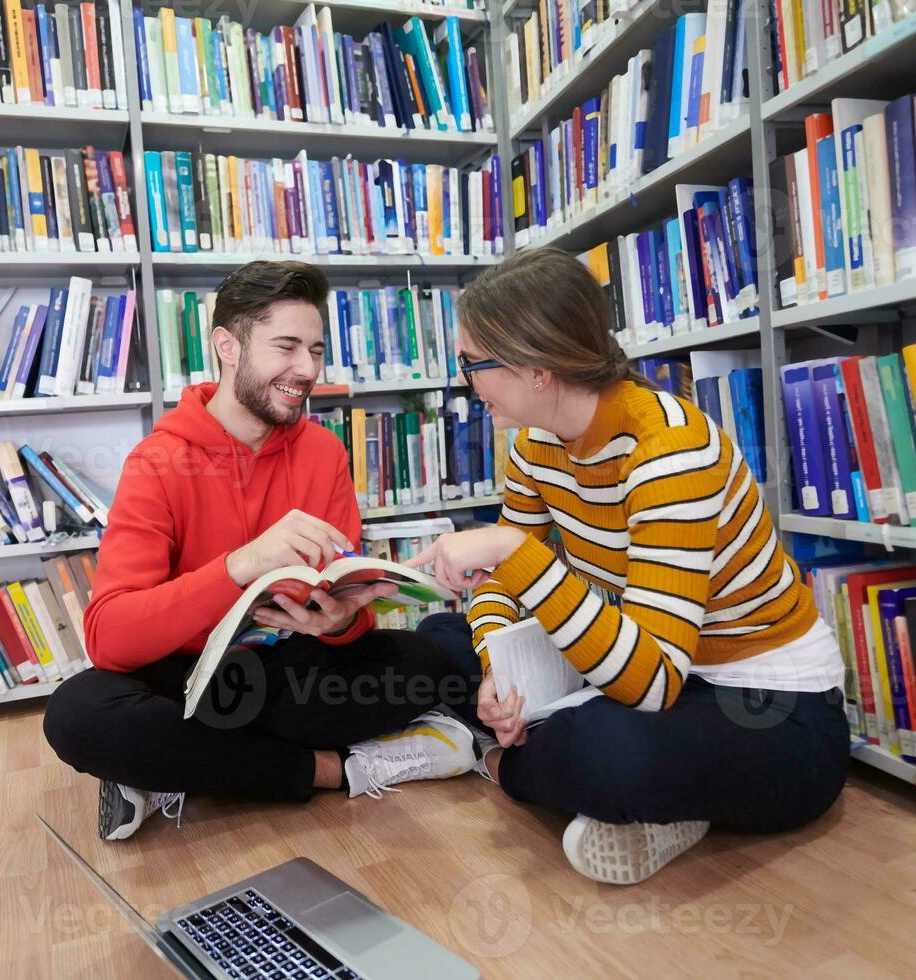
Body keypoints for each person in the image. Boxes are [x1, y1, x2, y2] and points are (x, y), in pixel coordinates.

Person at [409, 248, 850, 885]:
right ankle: (578, 766)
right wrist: (495, 674)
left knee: (604, 752)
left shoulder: (667, 449)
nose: (466, 382)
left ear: (538, 369)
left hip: (768, 704)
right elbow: (499, 588)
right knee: (437, 643)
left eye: (473, 364)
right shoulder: (536, 444)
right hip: (650, 659)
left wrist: (514, 552)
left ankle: (503, 762)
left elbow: (652, 683)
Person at [44, 260, 483, 841]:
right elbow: (109, 638)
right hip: (186, 674)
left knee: (424, 664)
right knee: (79, 714)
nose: (306, 370)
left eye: (317, 350)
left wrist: (341, 622)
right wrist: (238, 566)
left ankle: (172, 767)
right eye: (286, 347)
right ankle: (333, 769)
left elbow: (346, 599)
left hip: (284, 667)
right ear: (228, 345)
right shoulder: (158, 462)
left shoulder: (324, 453)